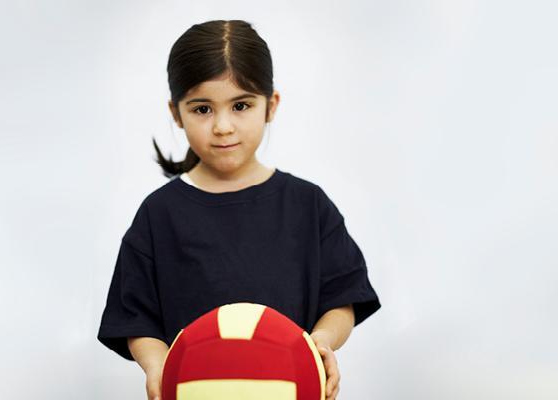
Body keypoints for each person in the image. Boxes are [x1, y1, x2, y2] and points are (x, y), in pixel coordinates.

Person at [97, 19, 381, 400]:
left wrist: (321, 343)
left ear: (271, 105)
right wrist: (157, 364)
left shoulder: (307, 205)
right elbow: (136, 317)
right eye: (202, 109)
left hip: (288, 390)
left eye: (241, 105)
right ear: (176, 113)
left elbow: (342, 298)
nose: (223, 126)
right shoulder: (158, 214)